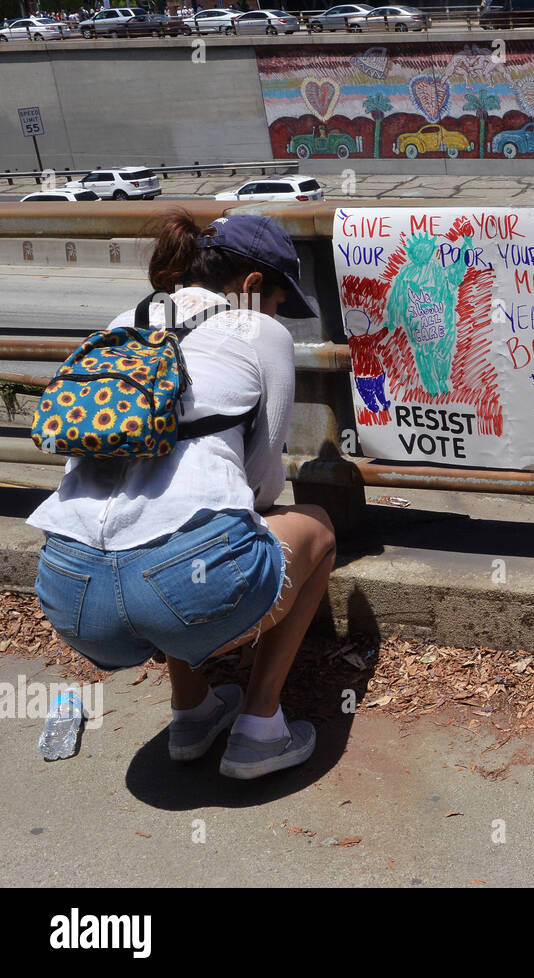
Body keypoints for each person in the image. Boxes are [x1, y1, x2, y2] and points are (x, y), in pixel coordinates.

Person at [29, 212, 336, 780]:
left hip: (71, 597)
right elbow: (264, 483)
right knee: (312, 526)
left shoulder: (125, 320)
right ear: (250, 286)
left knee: (168, 522)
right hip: (176, 590)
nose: (275, 314)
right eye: (274, 299)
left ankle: (192, 712)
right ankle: (260, 729)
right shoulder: (260, 331)